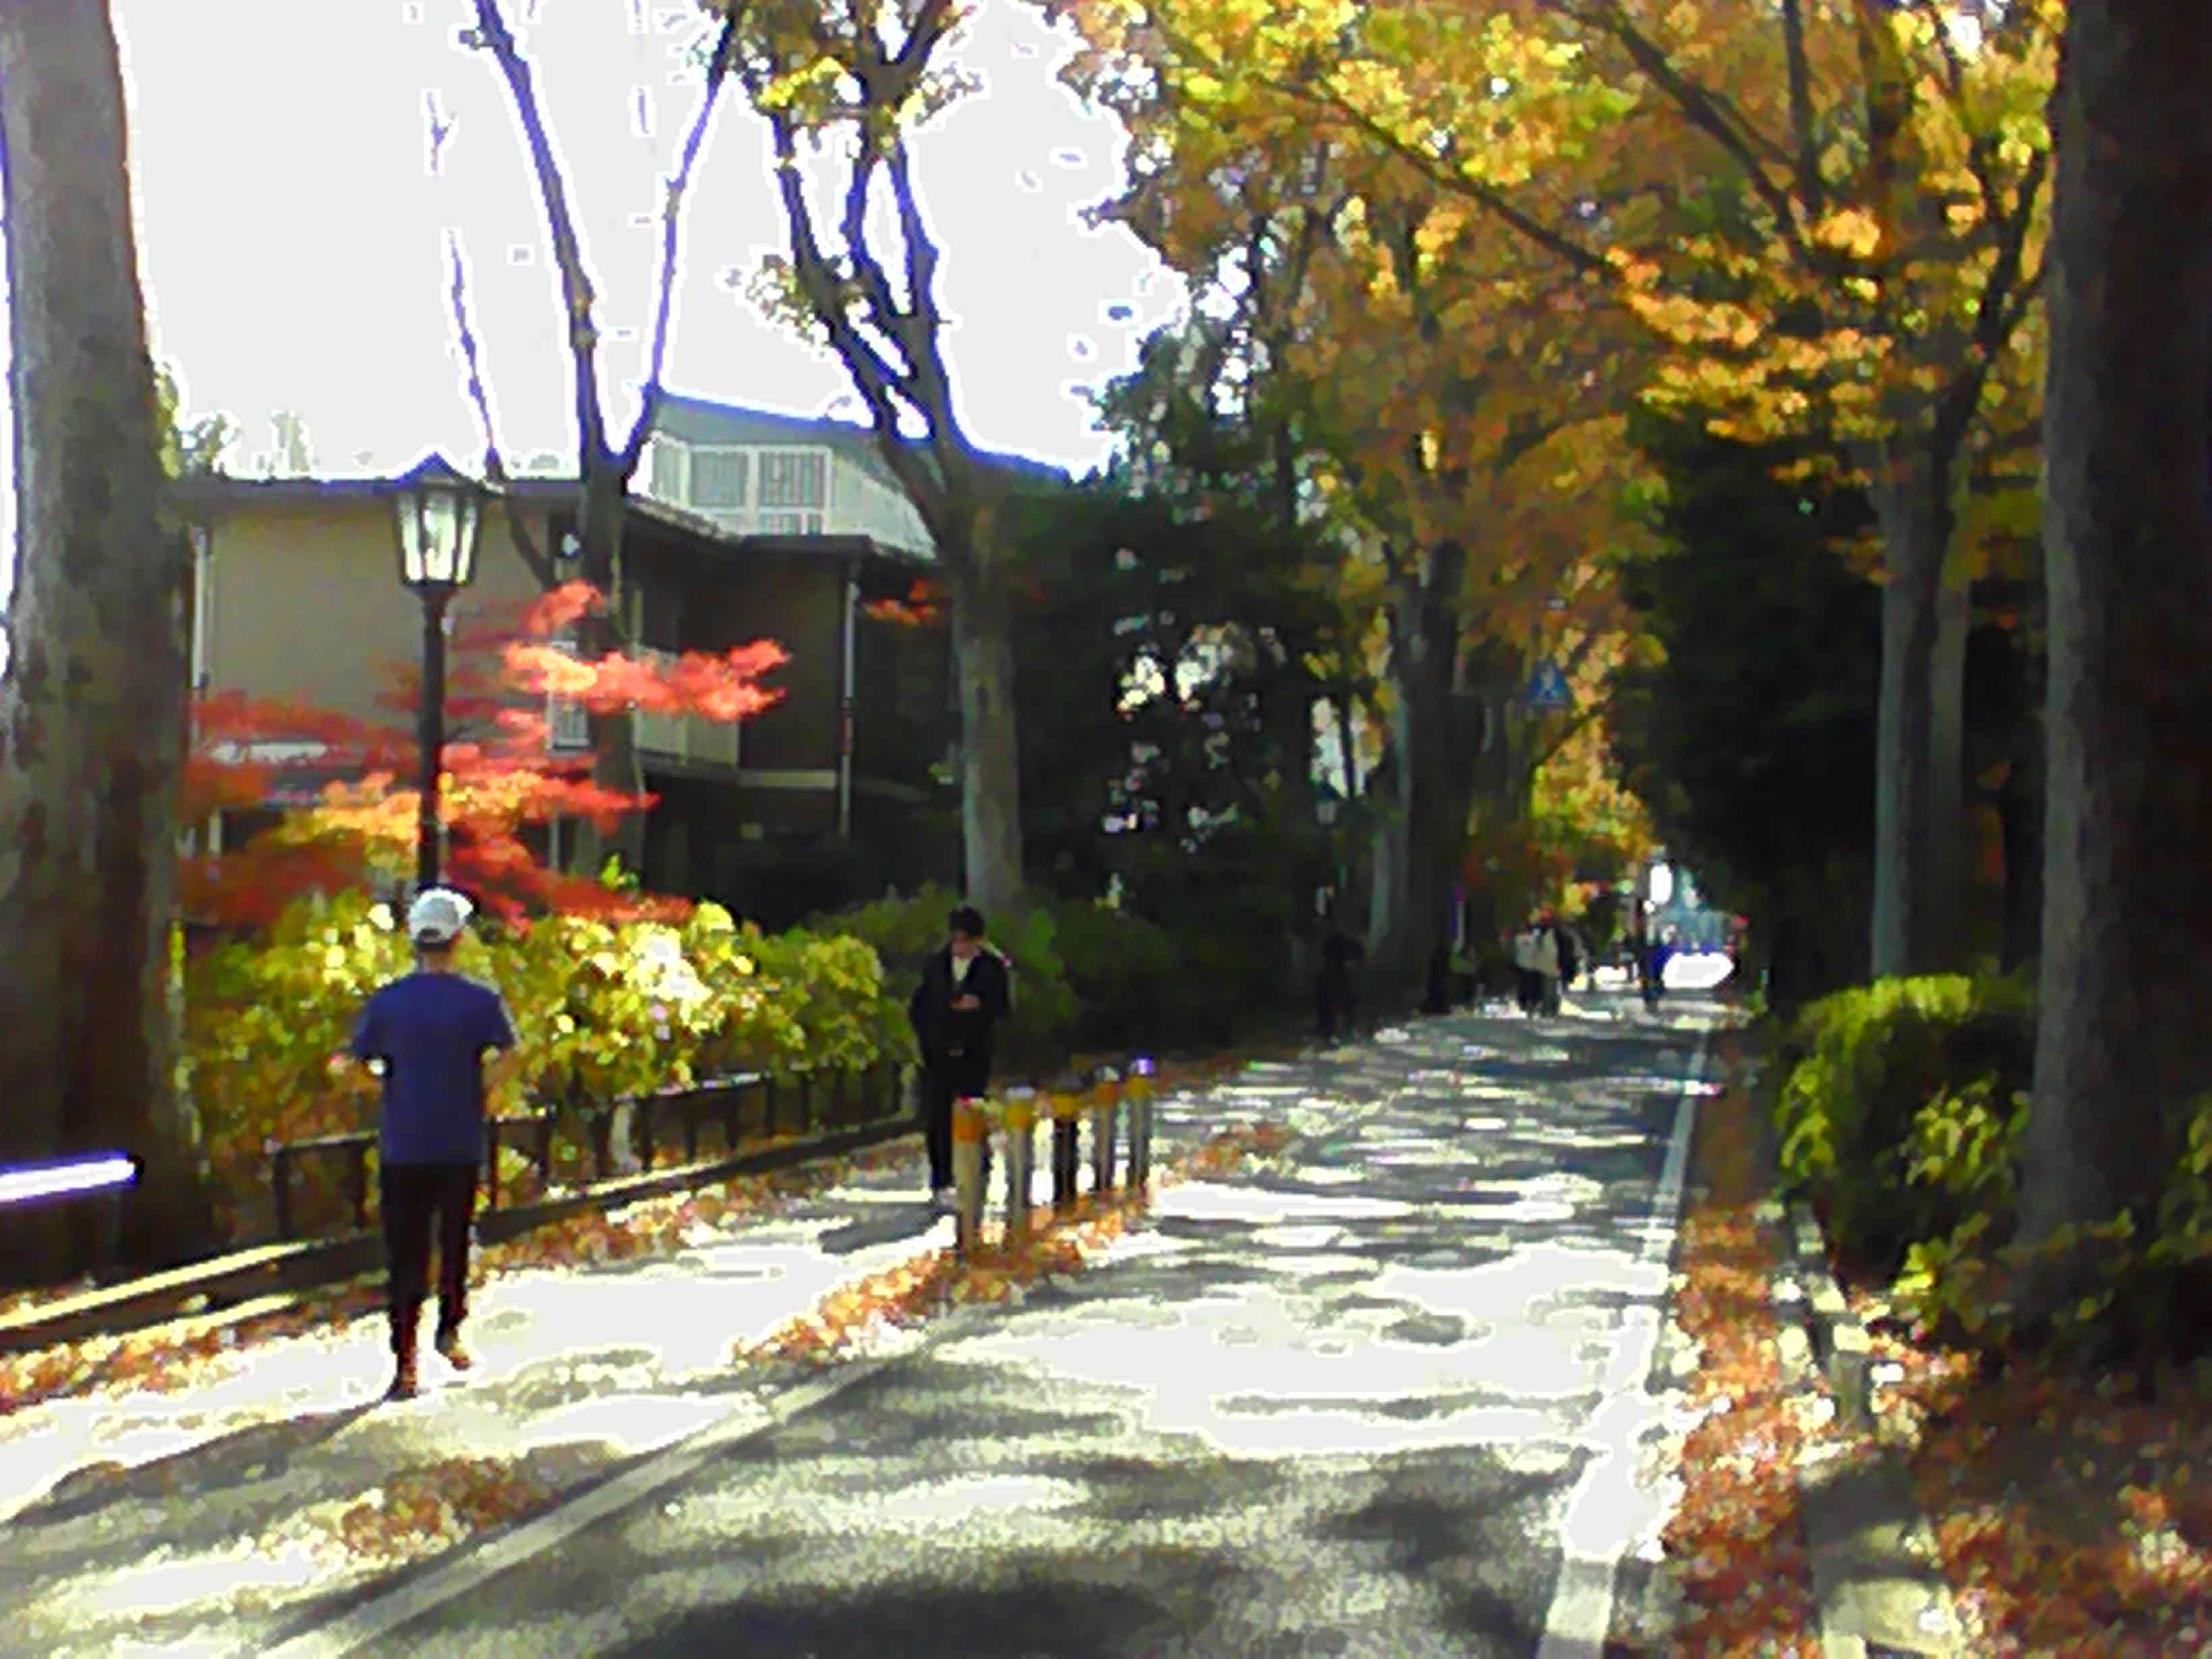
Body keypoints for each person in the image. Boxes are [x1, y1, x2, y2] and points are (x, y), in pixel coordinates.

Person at [348, 887, 519, 1401]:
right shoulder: (480, 1000)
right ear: (458, 938)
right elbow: (512, 1053)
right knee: (454, 1239)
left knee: (404, 1251)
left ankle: (405, 1362)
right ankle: (450, 1328)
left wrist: (387, 1087)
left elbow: (349, 1065)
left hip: (403, 1143)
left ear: (414, 940)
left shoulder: (388, 1001)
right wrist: (479, 1087)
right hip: (458, 1140)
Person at [908, 905, 1012, 1213]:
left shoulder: (992, 967)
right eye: (957, 939)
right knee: (938, 1114)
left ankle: (977, 1170)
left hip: (974, 1052)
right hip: (938, 1053)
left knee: (971, 1109)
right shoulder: (935, 965)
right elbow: (919, 1007)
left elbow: (1003, 1009)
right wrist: (930, 1036)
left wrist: (978, 1006)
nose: (961, 946)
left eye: (967, 940)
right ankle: (941, 1180)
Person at [1316, 923, 1364, 1041]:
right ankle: (1338, 1030)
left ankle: (1334, 1031)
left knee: (1341, 1004)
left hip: (1335, 979)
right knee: (1342, 1004)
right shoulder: (1342, 943)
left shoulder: (1337, 942)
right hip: (1336, 979)